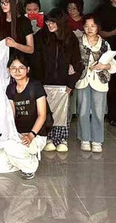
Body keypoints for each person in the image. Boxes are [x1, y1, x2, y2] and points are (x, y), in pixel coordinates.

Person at [31, 8, 82, 153]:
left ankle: (61, 139)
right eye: (48, 22)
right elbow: (35, 61)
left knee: (63, 113)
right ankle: (47, 138)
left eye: (53, 22)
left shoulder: (70, 38)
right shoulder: (41, 36)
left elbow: (77, 62)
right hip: (44, 83)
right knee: (45, 112)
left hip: (63, 84)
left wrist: (71, 83)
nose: (50, 25)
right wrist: (37, 83)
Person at [0, 55, 49, 180]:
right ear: (9, 70)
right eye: (13, 68)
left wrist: (31, 135)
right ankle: (22, 160)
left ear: (27, 69)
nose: (17, 71)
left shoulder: (35, 86)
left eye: (21, 68)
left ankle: (31, 166)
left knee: (10, 146)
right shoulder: (10, 89)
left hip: (36, 135)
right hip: (17, 134)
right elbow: (11, 115)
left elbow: (42, 115)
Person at [74, 14, 116, 153]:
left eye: (92, 26)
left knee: (99, 111)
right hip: (83, 80)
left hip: (99, 81)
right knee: (82, 111)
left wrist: (104, 66)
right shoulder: (78, 42)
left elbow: (113, 64)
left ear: (98, 27)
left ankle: (97, 140)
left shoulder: (104, 44)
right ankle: (85, 138)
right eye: (86, 26)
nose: (89, 29)